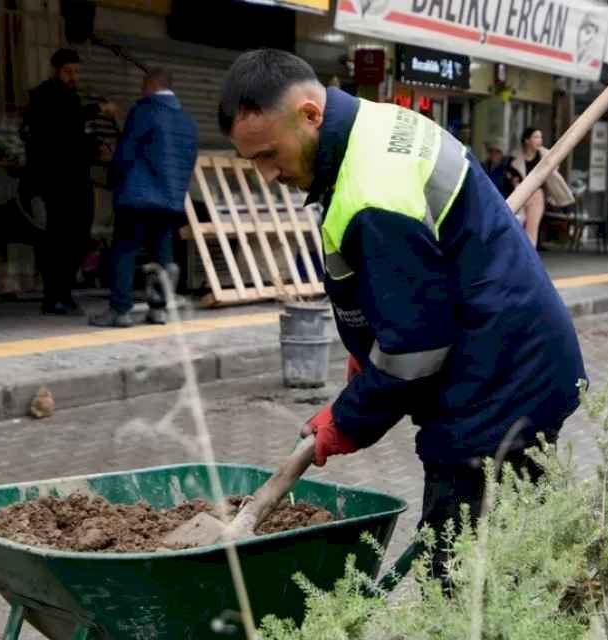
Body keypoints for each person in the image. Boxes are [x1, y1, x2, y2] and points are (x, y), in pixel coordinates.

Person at [217, 49, 586, 579]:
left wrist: (348, 418)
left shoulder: (372, 189)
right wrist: (366, 348)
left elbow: (415, 348)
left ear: (310, 114)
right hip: (510, 352)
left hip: (498, 384)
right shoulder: (372, 127)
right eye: (253, 161)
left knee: (456, 578)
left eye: (270, 155)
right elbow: (407, 282)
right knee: (516, 560)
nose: (268, 174)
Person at [89, 69, 198, 328]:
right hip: (170, 200)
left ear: (150, 86)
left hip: (138, 197)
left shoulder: (144, 111)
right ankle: (158, 310)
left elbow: (126, 154)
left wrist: (113, 177)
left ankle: (120, 310)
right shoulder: (187, 121)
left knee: (125, 250)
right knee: (162, 255)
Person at [23, 48, 114, 315]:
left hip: (78, 177)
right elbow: (59, 126)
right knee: (58, 238)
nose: (73, 77)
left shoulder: (72, 97)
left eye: (76, 71)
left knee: (79, 236)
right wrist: (97, 109)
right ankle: (54, 295)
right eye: (68, 72)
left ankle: (64, 291)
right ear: (56, 70)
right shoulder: (45, 96)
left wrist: (93, 147)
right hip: (55, 180)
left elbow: (75, 134)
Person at [508, 127, 574, 248]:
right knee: (516, 225)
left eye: (540, 137)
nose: (540, 140)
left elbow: (554, 171)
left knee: (532, 229)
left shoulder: (545, 155)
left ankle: (529, 259)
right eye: (536, 137)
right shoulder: (515, 156)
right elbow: (509, 174)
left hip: (536, 195)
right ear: (527, 140)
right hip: (519, 195)